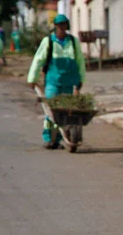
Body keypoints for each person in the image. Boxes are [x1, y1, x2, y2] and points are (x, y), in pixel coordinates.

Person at [27, 14, 86, 149]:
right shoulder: (48, 41)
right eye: (59, 25)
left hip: (69, 82)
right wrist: (32, 79)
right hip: (53, 82)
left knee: (65, 112)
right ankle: (48, 137)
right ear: (55, 26)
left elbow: (80, 62)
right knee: (51, 111)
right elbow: (38, 59)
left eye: (64, 24)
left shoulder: (73, 42)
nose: (62, 27)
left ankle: (58, 139)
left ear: (67, 26)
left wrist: (81, 79)